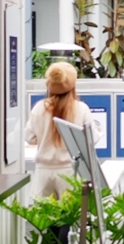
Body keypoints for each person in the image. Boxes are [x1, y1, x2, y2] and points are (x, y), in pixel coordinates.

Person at [24, 62, 95, 198]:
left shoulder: (39, 108)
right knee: (70, 215)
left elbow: (30, 138)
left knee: (43, 216)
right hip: (70, 170)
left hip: (42, 171)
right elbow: (91, 139)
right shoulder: (81, 108)